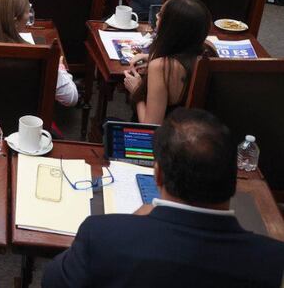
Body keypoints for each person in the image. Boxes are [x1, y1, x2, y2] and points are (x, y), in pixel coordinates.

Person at [44, 108, 284, 288]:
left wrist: (133, 224)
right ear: (234, 179)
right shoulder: (273, 263)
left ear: (157, 175)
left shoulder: (103, 236)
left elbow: (52, 281)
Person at [0, 0, 78, 107]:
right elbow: (71, 98)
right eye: (27, 10)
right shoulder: (41, 57)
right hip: (25, 123)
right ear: (15, 20)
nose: (29, 15)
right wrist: (58, 68)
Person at [123, 0, 211, 125]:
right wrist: (150, 57)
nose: (157, 17)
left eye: (160, 14)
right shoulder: (209, 49)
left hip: (166, 140)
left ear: (170, 27)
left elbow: (151, 126)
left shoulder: (161, 67)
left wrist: (136, 91)